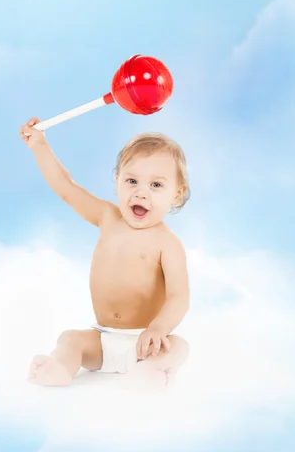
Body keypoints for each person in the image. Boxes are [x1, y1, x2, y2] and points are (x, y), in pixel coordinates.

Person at [20, 117, 191, 388]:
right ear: (117, 181)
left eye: (156, 185)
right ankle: (60, 367)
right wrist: (40, 146)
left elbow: (178, 296)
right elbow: (67, 188)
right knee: (69, 339)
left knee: (179, 345)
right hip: (102, 339)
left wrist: (158, 329)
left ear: (176, 194)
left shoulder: (167, 243)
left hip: (144, 342)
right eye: (132, 181)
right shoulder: (107, 218)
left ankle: (152, 371)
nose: (141, 193)